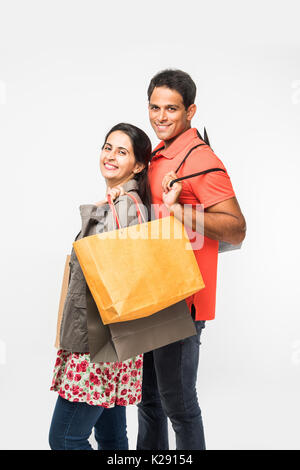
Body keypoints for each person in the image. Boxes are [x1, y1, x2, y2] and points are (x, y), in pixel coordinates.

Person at [136, 69, 246, 450]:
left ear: (190, 111)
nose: (161, 117)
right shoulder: (157, 155)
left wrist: (180, 210)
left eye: (171, 109)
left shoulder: (200, 158)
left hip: (182, 302)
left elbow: (236, 228)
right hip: (149, 294)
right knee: (148, 401)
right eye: (154, 107)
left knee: (179, 407)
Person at [49, 123, 152, 450]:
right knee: (111, 438)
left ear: (138, 165)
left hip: (100, 342)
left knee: (65, 438)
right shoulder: (124, 202)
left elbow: (118, 277)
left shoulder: (124, 207)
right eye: (108, 147)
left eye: (122, 151)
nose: (110, 156)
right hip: (114, 342)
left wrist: (102, 210)